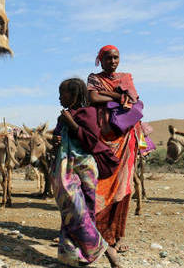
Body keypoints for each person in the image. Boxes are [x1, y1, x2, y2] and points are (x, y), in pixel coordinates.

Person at [51, 79, 121, 267]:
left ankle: (105, 249)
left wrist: (71, 123)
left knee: (83, 213)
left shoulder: (88, 113)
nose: (59, 97)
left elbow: (91, 140)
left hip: (85, 169)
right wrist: (55, 140)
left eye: (62, 93)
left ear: (74, 95)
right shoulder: (63, 116)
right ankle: (73, 257)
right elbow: (56, 138)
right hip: (67, 169)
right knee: (71, 210)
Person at [87, 45, 146, 253]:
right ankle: (97, 234)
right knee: (100, 184)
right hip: (104, 138)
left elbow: (134, 100)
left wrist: (109, 94)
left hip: (125, 138)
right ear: (100, 60)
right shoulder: (94, 78)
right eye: (109, 58)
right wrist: (116, 97)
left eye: (116, 58)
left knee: (124, 187)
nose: (113, 61)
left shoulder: (126, 77)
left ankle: (119, 235)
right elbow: (92, 98)